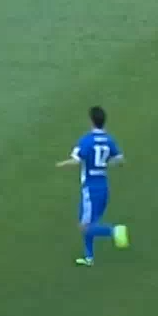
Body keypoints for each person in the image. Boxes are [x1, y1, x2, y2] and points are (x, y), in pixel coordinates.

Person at [55, 106, 130, 266]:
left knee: (84, 226)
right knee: (90, 221)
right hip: (103, 186)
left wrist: (61, 164)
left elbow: (76, 161)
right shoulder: (109, 140)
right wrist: (105, 164)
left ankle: (114, 231)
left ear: (91, 121)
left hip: (90, 189)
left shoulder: (86, 140)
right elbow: (120, 161)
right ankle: (89, 257)